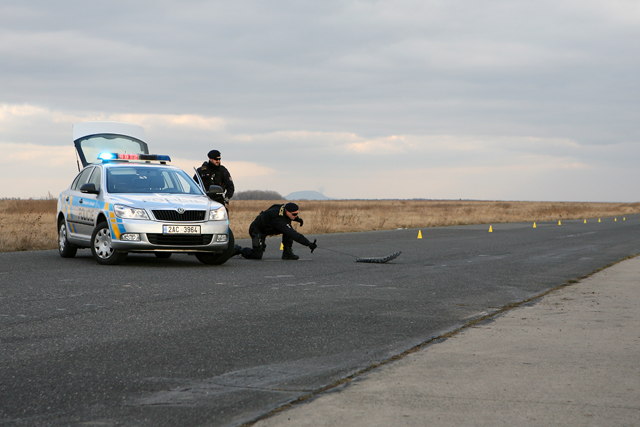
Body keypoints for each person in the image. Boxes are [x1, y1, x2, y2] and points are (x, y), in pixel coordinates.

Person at [235, 202, 317, 260]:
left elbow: (287, 215)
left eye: (297, 214)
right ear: (287, 212)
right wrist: (308, 243)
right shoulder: (277, 218)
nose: (296, 216)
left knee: (288, 228)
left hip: (270, 227)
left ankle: (287, 253)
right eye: (294, 214)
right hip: (257, 230)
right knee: (257, 255)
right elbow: (294, 234)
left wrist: (298, 219)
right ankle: (238, 249)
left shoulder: (284, 208)